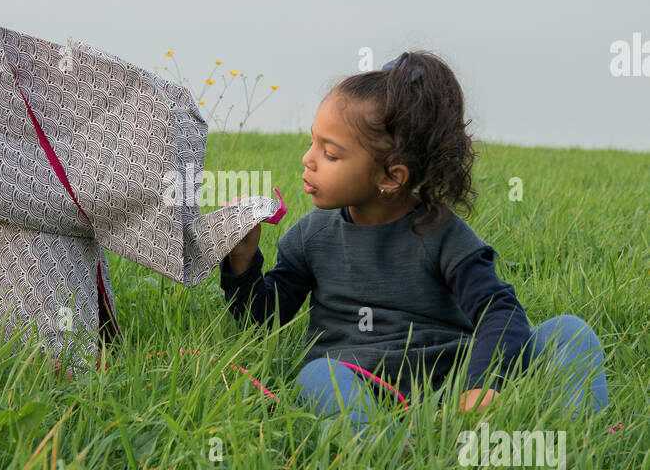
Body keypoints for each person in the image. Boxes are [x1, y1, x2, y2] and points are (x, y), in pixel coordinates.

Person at [219, 51, 608, 435]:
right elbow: (264, 319)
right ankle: (386, 448)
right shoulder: (311, 235)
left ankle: (577, 436)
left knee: (569, 331)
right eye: (312, 142)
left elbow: (499, 311)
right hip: (360, 382)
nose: (308, 160)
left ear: (391, 177)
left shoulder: (442, 235)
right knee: (318, 375)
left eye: (330, 153)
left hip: (454, 384)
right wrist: (243, 258)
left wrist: (481, 385)